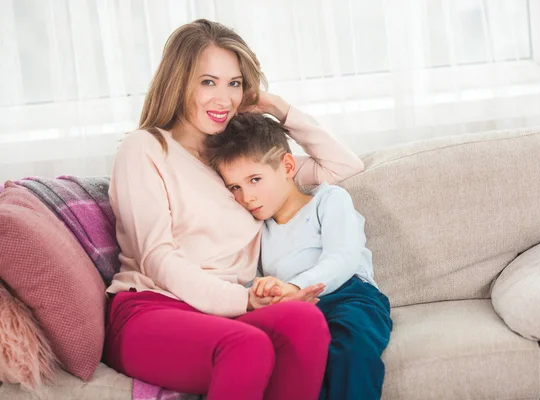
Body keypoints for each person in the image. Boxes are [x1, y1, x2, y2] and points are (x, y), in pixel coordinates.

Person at [103, 19, 364, 400]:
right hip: (153, 310)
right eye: (208, 82)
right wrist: (241, 300)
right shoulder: (145, 148)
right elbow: (156, 256)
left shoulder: (237, 160)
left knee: (305, 320)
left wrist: (278, 108)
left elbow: (342, 168)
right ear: (179, 82)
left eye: (234, 83)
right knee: (248, 345)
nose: (223, 100)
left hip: (228, 315)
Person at [204, 112, 393, 400]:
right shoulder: (256, 227)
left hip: (349, 296)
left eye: (255, 179)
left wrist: (295, 287)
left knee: (351, 351)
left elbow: (342, 258)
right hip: (293, 310)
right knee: (283, 363)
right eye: (235, 187)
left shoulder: (328, 200)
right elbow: (251, 276)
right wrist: (263, 290)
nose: (246, 197)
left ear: (288, 166)